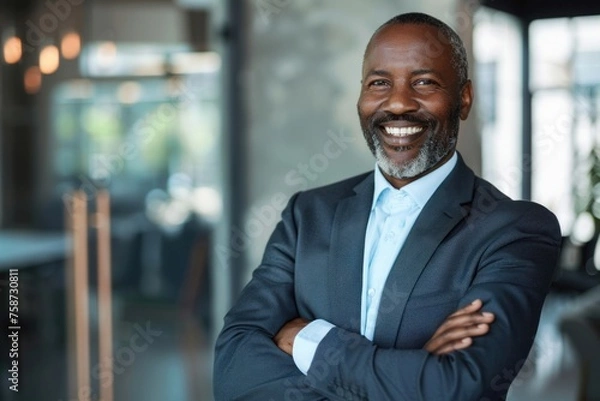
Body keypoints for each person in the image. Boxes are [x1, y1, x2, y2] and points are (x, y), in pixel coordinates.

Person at [214, 12, 562, 401]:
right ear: (361, 95)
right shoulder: (306, 215)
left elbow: (456, 387)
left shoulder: (513, 230)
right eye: (380, 83)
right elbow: (233, 369)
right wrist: (410, 370)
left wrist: (309, 340)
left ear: (463, 99)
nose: (398, 103)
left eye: (424, 82)